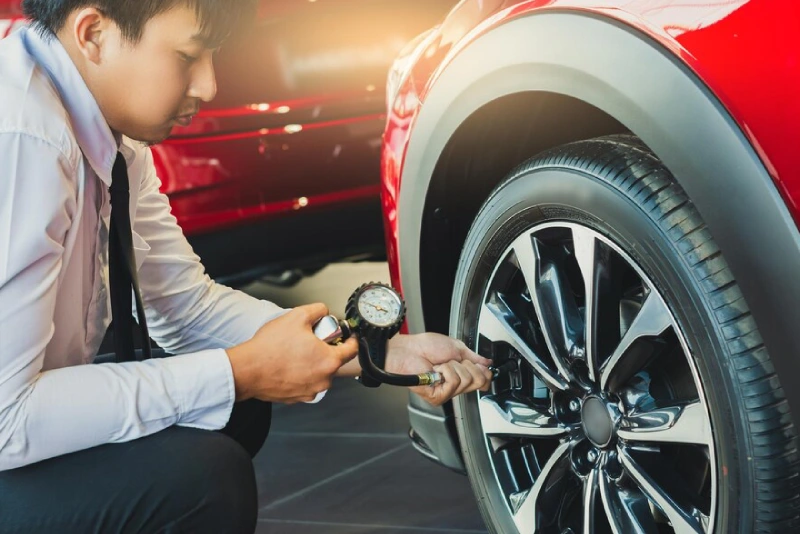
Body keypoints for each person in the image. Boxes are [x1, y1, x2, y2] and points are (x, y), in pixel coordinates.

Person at [0, 1, 493, 532]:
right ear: (94, 33)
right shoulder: (25, 139)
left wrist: (373, 353)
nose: (208, 85)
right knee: (201, 479)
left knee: (235, 404)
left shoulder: (104, 128)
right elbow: (7, 419)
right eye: (188, 56)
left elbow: (187, 307)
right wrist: (240, 371)